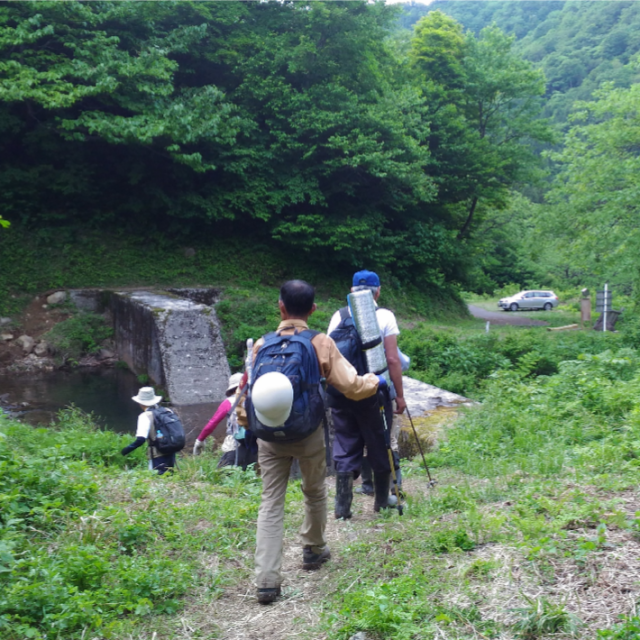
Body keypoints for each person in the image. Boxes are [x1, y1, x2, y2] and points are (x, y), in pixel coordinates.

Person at [243, 279, 384, 605]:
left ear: (280, 306)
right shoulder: (320, 342)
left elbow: (249, 391)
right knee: (314, 491)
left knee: (271, 502)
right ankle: (313, 549)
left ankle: (266, 580)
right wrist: (374, 380)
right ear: (313, 309)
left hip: (269, 436)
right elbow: (350, 385)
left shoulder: (260, 344)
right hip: (307, 433)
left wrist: (245, 423)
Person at [327, 270, 406, 518]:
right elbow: (392, 359)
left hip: (342, 392)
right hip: (374, 392)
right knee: (379, 442)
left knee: (345, 443)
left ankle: (342, 508)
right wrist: (399, 395)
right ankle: (382, 501)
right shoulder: (384, 316)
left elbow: (330, 356)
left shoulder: (338, 316)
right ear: (378, 291)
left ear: (351, 291)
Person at [193, 373, 258, 469]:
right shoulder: (255, 400)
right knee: (249, 475)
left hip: (235, 444)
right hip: (254, 444)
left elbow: (213, 423)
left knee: (221, 475)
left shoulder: (229, 402)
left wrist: (200, 440)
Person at [121, 386, 176, 475]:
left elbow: (141, 439)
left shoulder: (145, 416)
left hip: (157, 454)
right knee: (170, 477)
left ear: (140, 403)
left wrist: (126, 450)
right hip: (171, 451)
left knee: (156, 480)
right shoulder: (168, 411)